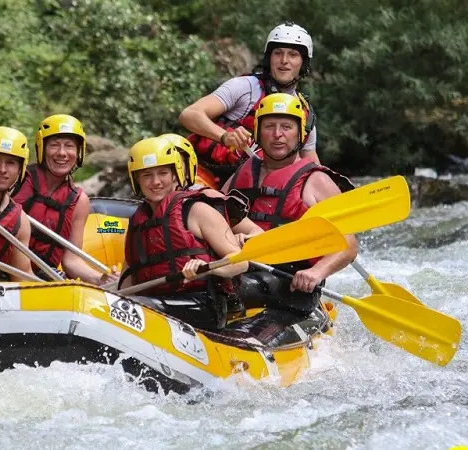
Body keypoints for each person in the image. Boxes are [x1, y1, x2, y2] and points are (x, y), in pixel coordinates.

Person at [223, 93, 356, 313]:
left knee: (228, 289)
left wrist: (317, 272)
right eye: (269, 127)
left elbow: (349, 245)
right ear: (257, 131)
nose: (277, 135)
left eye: (286, 127)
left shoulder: (316, 180)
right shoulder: (242, 173)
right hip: (244, 269)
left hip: (292, 285)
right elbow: (214, 216)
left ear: (300, 134)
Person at [117, 137, 250, 331]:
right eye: (146, 175)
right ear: (136, 179)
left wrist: (208, 268)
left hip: (202, 303)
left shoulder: (196, 210)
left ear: (175, 174)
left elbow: (241, 261)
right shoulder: (138, 222)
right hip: (153, 303)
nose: (155, 182)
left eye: (162, 173)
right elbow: (126, 285)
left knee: (139, 310)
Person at [179, 21, 319, 183]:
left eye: (293, 54)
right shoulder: (246, 87)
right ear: (269, 58)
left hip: (250, 188)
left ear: (303, 63)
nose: (284, 60)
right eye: (278, 53)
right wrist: (225, 136)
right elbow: (189, 115)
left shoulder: (304, 113)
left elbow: (311, 165)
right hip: (206, 176)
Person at [12, 114, 119, 285]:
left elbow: (71, 260)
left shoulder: (79, 201)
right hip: (5, 268)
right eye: (54, 145)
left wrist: (99, 279)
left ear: (79, 152)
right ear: (42, 148)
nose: (62, 153)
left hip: (41, 277)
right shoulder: (17, 178)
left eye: (69, 146)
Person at [0, 126, 35, 281]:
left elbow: (22, 275)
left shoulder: (20, 221)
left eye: (10, 163)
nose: (2, 169)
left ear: (20, 169)